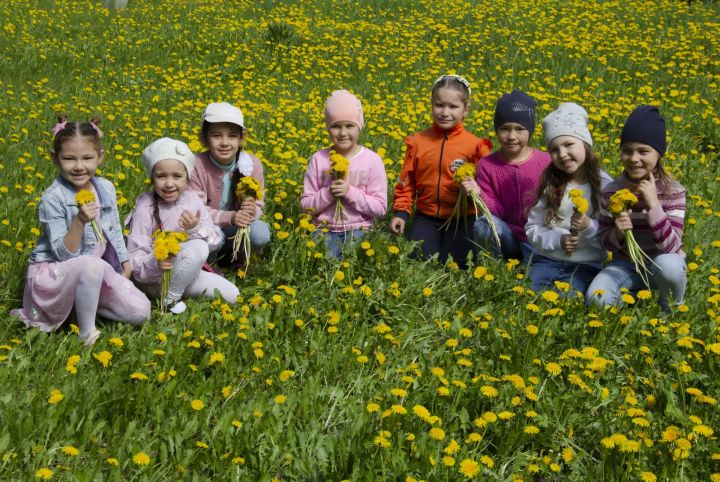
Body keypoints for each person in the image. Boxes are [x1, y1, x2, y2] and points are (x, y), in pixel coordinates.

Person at [10, 117, 150, 345]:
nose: (78, 166)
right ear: (54, 158)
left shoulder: (105, 188)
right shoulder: (53, 199)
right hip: (56, 274)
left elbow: (114, 228)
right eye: (69, 159)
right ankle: (86, 332)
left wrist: (124, 261)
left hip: (95, 270)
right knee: (91, 264)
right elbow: (63, 254)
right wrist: (79, 222)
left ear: (100, 157)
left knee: (140, 311)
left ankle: (80, 304)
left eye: (87, 158)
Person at [587, 106, 686, 310]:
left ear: (659, 153)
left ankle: (671, 308)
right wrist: (618, 233)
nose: (633, 159)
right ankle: (638, 302)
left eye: (643, 151)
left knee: (670, 266)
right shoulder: (611, 191)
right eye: (627, 151)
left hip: (661, 264)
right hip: (626, 266)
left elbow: (671, 246)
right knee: (596, 300)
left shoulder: (674, 192)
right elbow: (605, 242)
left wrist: (653, 205)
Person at [126, 138, 240, 314]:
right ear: (152, 178)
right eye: (162, 176)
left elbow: (217, 241)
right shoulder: (145, 207)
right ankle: (169, 300)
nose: (169, 184)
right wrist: (157, 261)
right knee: (199, 246)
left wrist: (195, 228)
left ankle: (174, 293)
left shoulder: (192, 200)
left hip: (185, 271)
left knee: (232, 294)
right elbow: (134, 259)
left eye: (177, 176)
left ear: (188, 179)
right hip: (154, 279)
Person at [389, 75, 492, 268]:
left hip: (462, 218)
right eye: (439, 105)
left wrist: (476, 189)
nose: (445, 112)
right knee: (419, 262)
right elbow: (406, 182)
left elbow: (488, 186)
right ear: (431, 105)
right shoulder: (418, 142)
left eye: (453, 107)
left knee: (456, 266)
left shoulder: (475, 146)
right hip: (426, 217)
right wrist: (401, 213)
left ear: (465, 110)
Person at [525, 103, 612, 294]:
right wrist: (557, 240)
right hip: (547, 260)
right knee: (530, 296)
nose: (562, 154)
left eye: (568, 144)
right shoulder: (551, 185)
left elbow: (611, 237)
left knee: (567, 299)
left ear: (585, 144)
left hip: (586, 265)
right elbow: (532, 227)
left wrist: (589, 227)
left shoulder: (605, 187)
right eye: (554, 149)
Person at [463, 89, 550, 261]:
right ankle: (491, 266)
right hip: (506, 235)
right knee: (484, 224)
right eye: (505, 129)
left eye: (520, 129)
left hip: (539, 237)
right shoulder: (487, 165)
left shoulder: (546, 162)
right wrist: (479, 194)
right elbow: (496, 212)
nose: (511, 136)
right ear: (496, 129)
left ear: (530, 130)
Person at [300, 90, 387, 258]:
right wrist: (328, 193)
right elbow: (305, 205)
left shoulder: (372, 161)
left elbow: (380, 208)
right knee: (324, 264)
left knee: (352, 261)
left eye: (349, 126)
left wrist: (350, 192)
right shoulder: (319, 160)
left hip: (359, 229)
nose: (343, 133)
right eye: (336, 126)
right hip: (324, 229)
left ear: (359, 126)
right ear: (328, 128)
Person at [189, 102, 271, 266]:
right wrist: (231, 217)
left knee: (260, 233)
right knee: (198, 246)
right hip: (204, 230)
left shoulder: (252, 165)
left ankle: (239, 258)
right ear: (203, 138)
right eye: (216, 136)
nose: (224, 142)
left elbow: (259, 205)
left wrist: (250, 211)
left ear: (242, 138)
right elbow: (196, 210)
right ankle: (210, 262)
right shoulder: (196, 165)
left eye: (232, 136)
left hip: (235, 229)